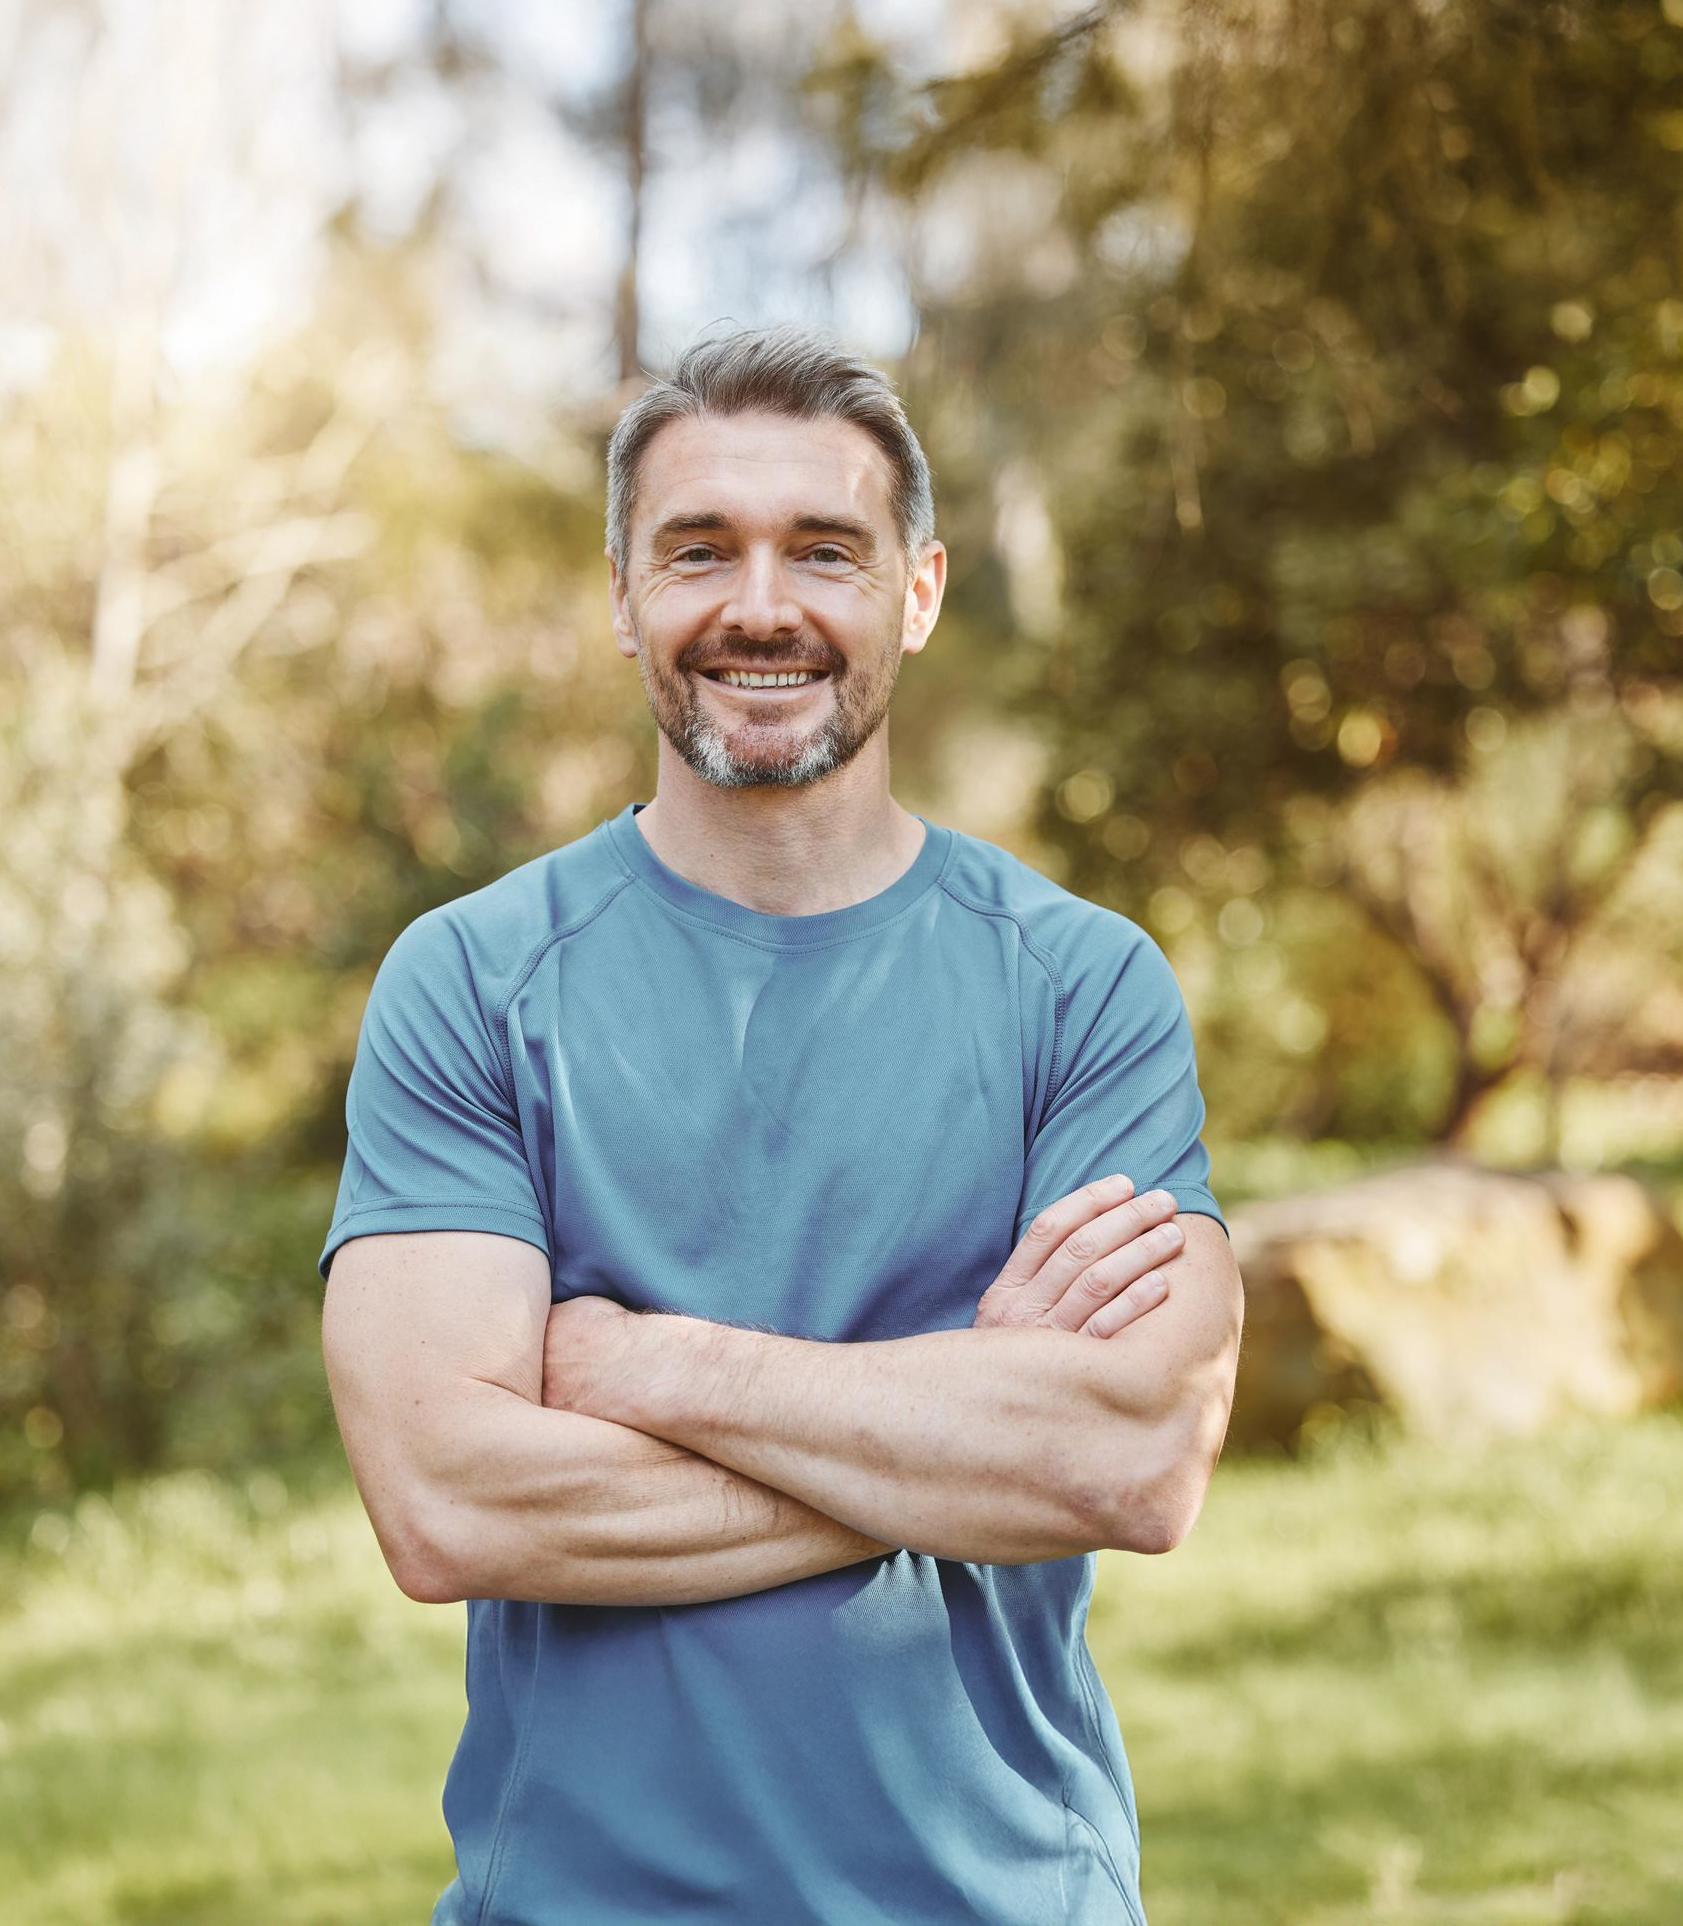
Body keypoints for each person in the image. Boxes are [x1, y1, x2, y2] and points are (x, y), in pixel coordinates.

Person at [317, 324, 1244, 1926]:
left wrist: (642, 1366)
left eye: (825, 549)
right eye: (699, 551)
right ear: (622, 596)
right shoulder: (471, 983)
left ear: (920, 590)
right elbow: (447, 1500)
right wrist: (957, 1425)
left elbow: (1137, 1455)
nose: (762, 605)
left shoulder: (1082, 986)